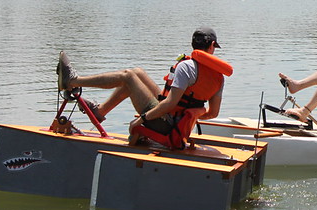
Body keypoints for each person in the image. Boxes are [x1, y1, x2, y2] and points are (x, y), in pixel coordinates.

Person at [56, 27, 232, 145]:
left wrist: (142, 119)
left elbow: (170, 104)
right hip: (177, 125)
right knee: (138, 73)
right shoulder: (218, 77)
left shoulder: (187, 67)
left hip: (166, 125)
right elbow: (213, 113)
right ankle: (99, 111)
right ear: (211, 46)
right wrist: (191, 116)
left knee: (128, 76)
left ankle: (72, 81)